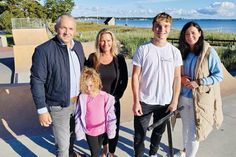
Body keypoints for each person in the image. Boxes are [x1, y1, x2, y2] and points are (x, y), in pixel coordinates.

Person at [30, 14, 85, 157]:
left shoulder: (78, 46)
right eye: (63, 28)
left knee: (72, 136)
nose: (67, 32)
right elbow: (37, 80)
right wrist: (42, 110)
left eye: (71, 28)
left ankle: (71, 153)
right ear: (56, 28)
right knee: (63, 146)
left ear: (75, 30)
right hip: (59, 106)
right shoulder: (43, 51)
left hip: (78, 103)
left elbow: (83, 70)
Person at [132, 12, 182, 157]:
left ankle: (153, 154)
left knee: (158, 133)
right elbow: (135, 76)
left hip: (165, 102)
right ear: (153, 28)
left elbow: (177, 77)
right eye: (158, 26)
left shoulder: (175, 52)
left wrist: (174, 101)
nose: (162, 30)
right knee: (139, 136)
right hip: (144, 100)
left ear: (170, 28)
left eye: (166, 26)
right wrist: (136, 101)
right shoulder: (143, 49)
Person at [175, 21, 223, 157]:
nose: (190, 36)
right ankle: (184, 151)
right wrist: (182, 77)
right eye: (187, 34)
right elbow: (177, 71)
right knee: (185, 127)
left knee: (194, 131)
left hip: (200, 99)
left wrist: (200, 81)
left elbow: (219, 75)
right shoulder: (182, 51)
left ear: (200, 33)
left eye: (193, 33)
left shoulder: (209, 52)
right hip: (183, 97)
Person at [86, 28, 128, 157]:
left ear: (113, 41)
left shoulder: (119, 59)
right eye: (102, 41)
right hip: (96, 102)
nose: (106, 44)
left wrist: (116, 97)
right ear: (98, 42)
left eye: (108, 40)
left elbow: (124, 80)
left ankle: (111, 152)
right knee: (98, 128)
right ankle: (102, 150)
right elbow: (86, 78)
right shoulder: (93, 58)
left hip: (113, 100)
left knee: (113, 128)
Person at [74, 67, 116, 157]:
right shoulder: (83, 97)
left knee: (98, 149)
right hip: (89, 130)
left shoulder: (104, 96)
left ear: (96, 82)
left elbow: (110, 113)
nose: (88, 89)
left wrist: (111, 128)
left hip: (101, 129)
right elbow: (78, 114)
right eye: (86, 86)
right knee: (95, 153)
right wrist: (79, 129)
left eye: (91, 85)